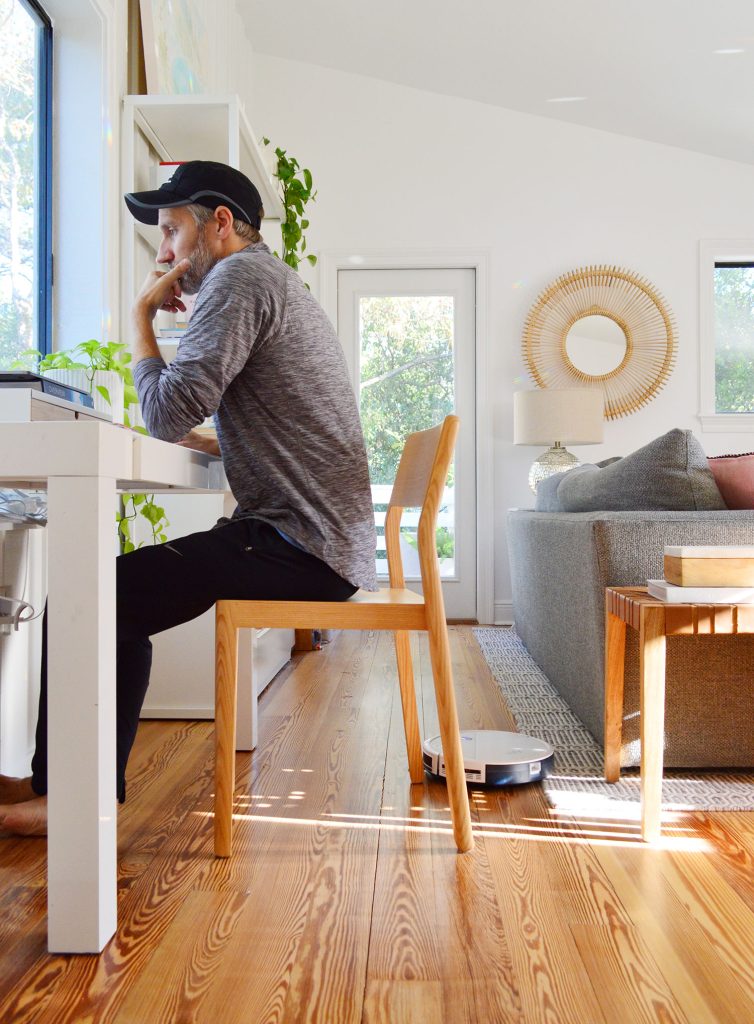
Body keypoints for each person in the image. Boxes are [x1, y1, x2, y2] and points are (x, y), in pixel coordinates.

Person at [0, 160, 377, 836]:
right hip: (309, 537)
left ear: (221, 225)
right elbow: (258, 424)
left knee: (100, 599)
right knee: (111, 597)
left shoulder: (239, 279)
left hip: (299, 545)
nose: (163, 253)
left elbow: (167, 413)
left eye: (171, 230)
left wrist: (143, 319)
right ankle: (58, 781)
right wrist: (217, 441)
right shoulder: (267, 281)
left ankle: (73, 799)